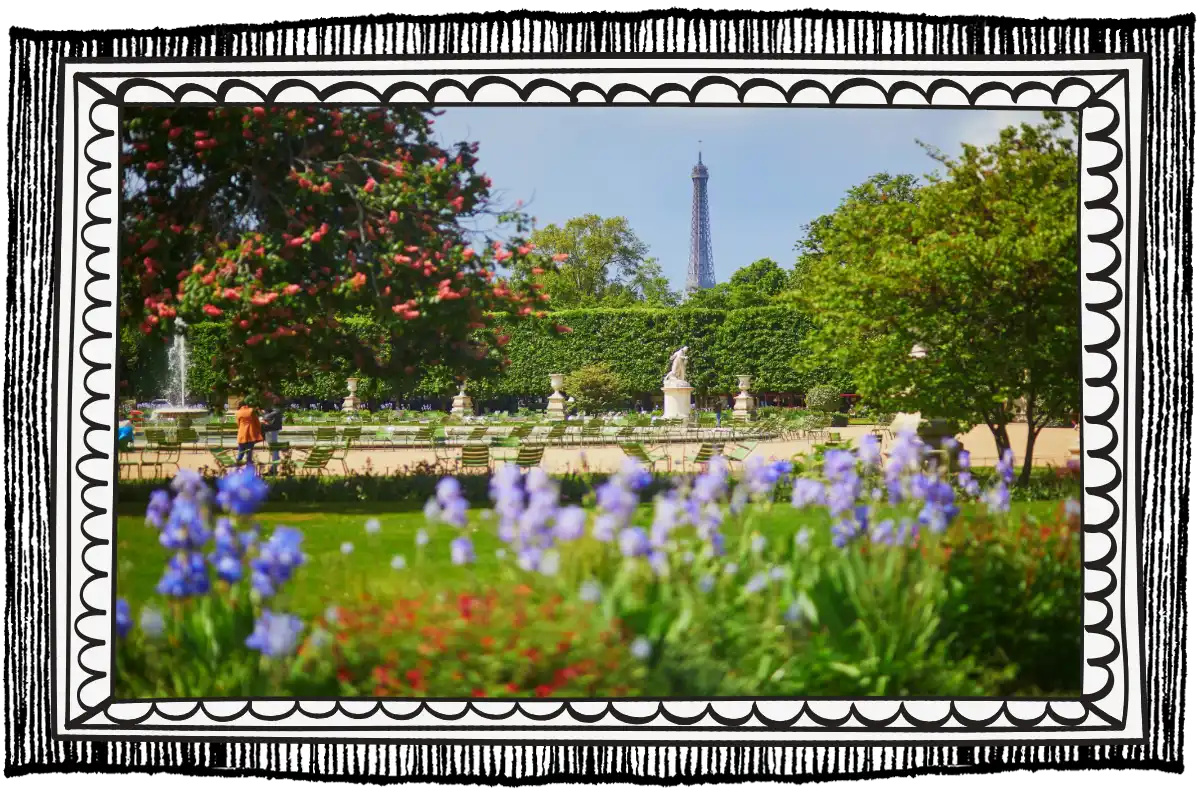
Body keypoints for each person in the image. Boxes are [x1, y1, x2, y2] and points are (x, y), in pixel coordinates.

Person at [235, 398, 264, 468]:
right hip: (251, 435)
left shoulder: (237, 412)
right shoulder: (251, 411)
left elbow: (238, 424)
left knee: (241, 452)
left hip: (241, 435)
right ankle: (248, 469)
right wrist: (258, 431)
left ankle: (237, 467)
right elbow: (257, 422)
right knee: (249, 452)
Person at [260, 401, 283, 476]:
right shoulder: (276, 411)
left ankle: (274, 469)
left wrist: (263, 413)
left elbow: (265, 417)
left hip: (271, 431)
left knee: (274, 450)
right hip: (272, 431)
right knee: (273, 449)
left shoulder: (275, 411)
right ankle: (274, 465)